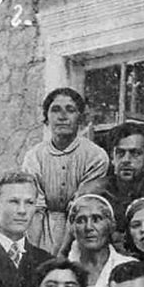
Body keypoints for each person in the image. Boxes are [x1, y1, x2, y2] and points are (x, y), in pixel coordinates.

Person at [22, 88, 109, 254]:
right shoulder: (34, 156)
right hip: (41, 229)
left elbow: (80, 206)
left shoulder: (96, 156)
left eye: (70, 110)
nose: (62, 117)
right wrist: (33, 254)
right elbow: (35, 209)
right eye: (55, 110)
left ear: (80, 118)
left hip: (80, 229)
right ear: (46, 118)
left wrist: (62, 253)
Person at [80, 122, 144, 249]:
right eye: (120, 153)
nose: (126, 160)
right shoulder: (94, 192)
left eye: (135, 153)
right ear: (112, 158)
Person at [67, 193, 135, 287]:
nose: (88, 227)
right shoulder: (61, 272)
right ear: (72, 228)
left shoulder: (131, 268)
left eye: (97, 219)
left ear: (111, 225)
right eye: (81, 220)